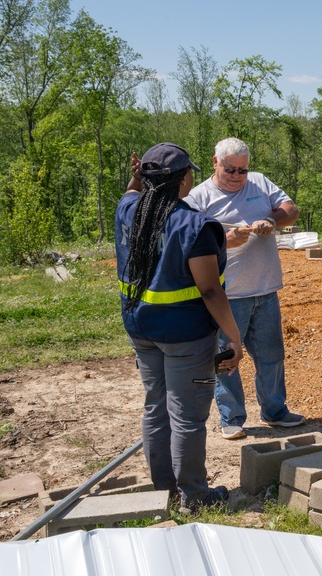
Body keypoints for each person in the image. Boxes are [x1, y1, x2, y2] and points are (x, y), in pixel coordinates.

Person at [115, 143, 244, 512]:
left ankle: (164, 492)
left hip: (141, 329)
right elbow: (209, 289)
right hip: (186, 336)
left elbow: (131, 192)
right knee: (187, 416)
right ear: (184, 179)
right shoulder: (194, 225)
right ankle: (194, 497)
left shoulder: (129, 211)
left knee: (156, 408)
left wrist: (137, 175)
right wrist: (234, 339)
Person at [185, 137, 305, 439]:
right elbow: (185, 243)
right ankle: (232, 418)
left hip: (265, 290)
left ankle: (275, 411)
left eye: (243, 170)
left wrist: (270, 220)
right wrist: (224, 241)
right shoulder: (198, 198)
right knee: (227, 359)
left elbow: (291, 209)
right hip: (227, 295)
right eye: (231, 170)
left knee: (271, 356)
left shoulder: (260, 183)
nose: (238, 176)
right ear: (215, 162)